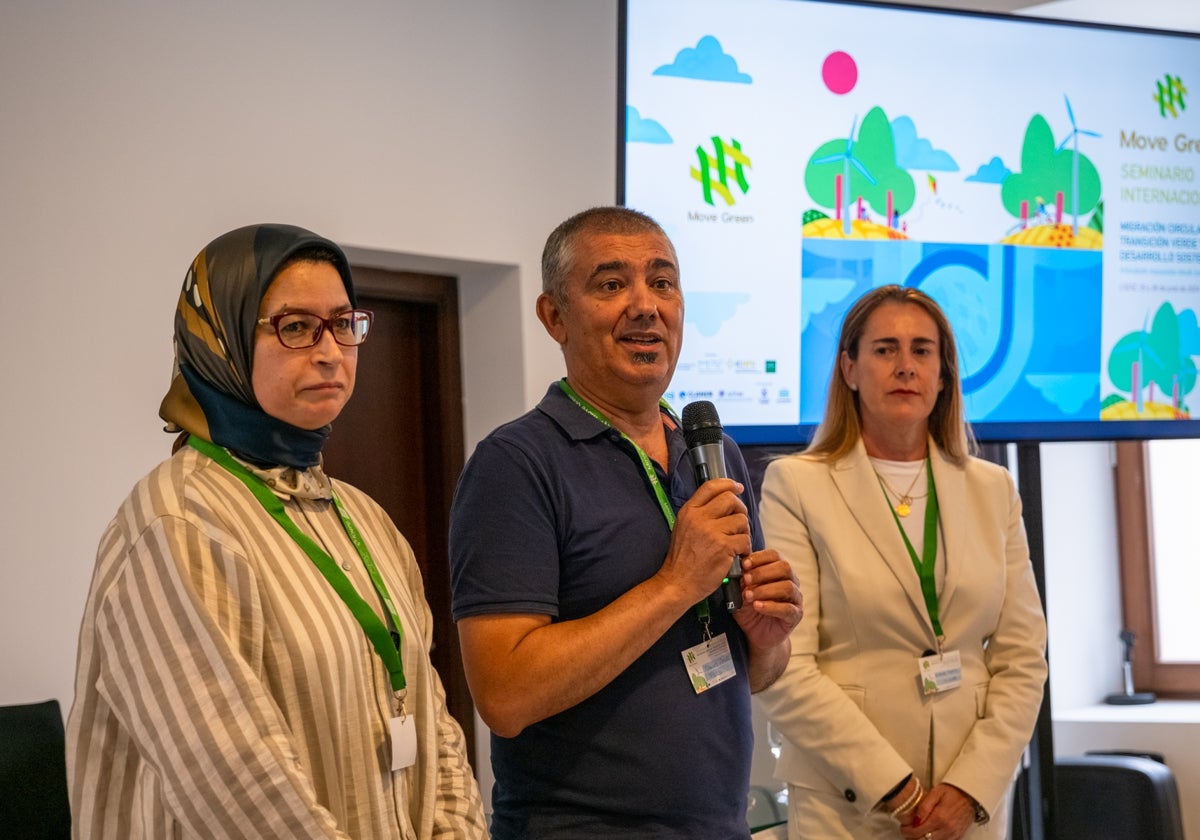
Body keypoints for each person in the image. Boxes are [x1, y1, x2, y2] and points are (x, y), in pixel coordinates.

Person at [66, 223, 489, 839]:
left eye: (344, 324)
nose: (329, 352)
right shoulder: (176, 521)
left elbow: (432, 721)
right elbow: (236, 783)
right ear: (222, 342)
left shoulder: (363, 518)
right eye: (295, 327)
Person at [448, 206, 804, 838]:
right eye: (611, 284)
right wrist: (674, 585)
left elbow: (755, 674)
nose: (646, 305)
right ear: (554, 316)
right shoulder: (516, 465)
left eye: (662, 283)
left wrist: (767, 634)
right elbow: (503, 696)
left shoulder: (713, 456)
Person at [754, 285, 1048, 840]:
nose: (905, 366)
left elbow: (1022, 659)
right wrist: (895, 788)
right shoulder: (797, 485)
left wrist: (970, 789)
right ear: (850, 369)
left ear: (944, 375)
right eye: (885, 349)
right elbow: (784, 662)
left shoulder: (993, 489)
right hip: (849, 804)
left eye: (922, 351)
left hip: (969, 808)